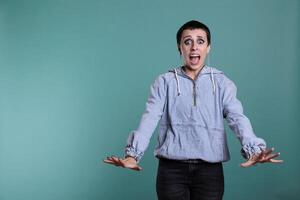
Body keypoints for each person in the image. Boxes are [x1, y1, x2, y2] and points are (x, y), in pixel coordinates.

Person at [103, 20, 283, 200]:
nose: (194, 47)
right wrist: (133, 155)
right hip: (171, 171)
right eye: (188, 42)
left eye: (200, 41)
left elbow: (237, 118)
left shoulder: (222, 83)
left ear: (209, 47)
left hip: (210, 172)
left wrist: (254, 149)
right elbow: (149, 118)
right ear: (180, 47)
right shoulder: (164, 82)